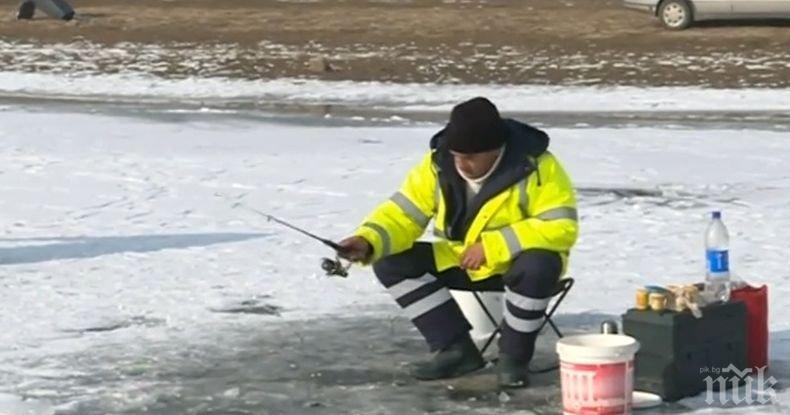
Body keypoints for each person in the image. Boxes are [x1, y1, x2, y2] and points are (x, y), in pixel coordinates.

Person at [338, 97, 579, 388]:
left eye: (472, 156)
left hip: (518, 267)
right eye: (457, 154)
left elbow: (561, 226)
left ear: (497, 149)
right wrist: (368, 240)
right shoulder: (436, 165)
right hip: (460, 260)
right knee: (389, 261)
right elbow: (403, 214)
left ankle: (514, 359)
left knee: (540, 264)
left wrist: (492, 246)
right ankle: (455, 349)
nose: (462, 163)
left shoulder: (539, 167)